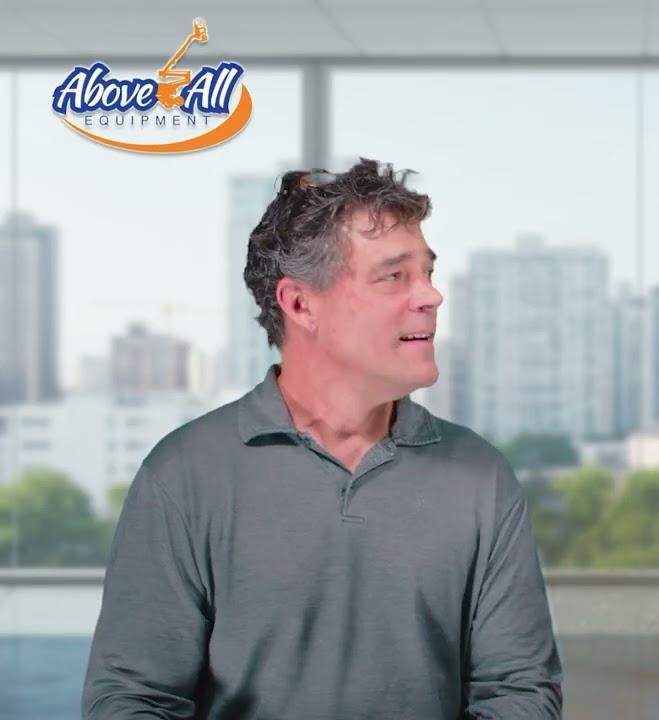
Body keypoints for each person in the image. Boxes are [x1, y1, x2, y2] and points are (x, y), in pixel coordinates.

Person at [82, 159, 564, 719]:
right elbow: (132, 699)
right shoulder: (185, 475)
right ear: (300, 304)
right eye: (394, 276)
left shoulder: (481, 476)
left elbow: (521, 692)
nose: (431, 297)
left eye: (428, 273)